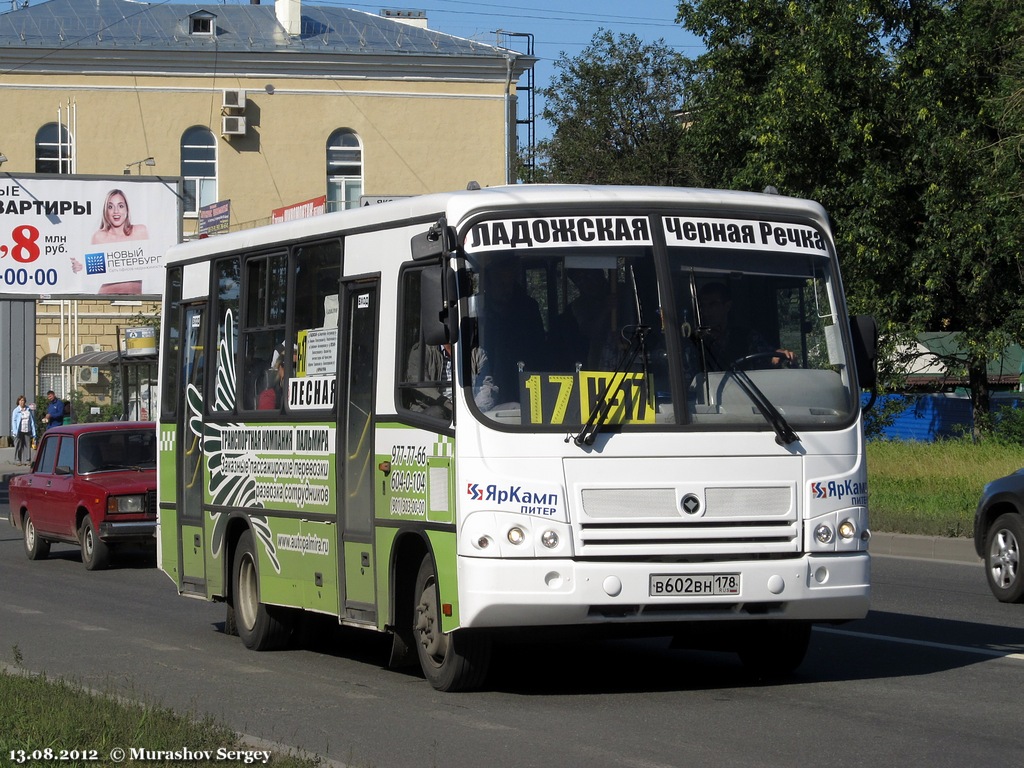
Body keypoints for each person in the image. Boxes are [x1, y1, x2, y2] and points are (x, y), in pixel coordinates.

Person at [476, 257, 546, 401]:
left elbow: (538, 349)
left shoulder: (528, 309)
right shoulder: (476, 310)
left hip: (523, 383)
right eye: (500, 282)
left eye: (509, 283)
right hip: (483, 385)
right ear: (487, 284)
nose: (505, 289)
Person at [695, 282, 794, 369]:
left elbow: (769, 355)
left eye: (713, 304)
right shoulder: (695, 342)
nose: (706, 311)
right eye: (702, 306)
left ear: (727, 306)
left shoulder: (746, 337)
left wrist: (779, 355)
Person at [10, 395, 36, 466]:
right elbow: (14, 421)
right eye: (21, 400)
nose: (22, 402)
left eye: (23, 400)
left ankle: (27, 460)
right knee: (18, 445)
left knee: (27, 445)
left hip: (27, 429)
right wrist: (15, 431)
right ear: (18, 402)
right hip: (19, 430)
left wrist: (34, 432)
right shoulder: (16, 410)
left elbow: (32, 421)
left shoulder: (28, 409)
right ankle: (17, 460)